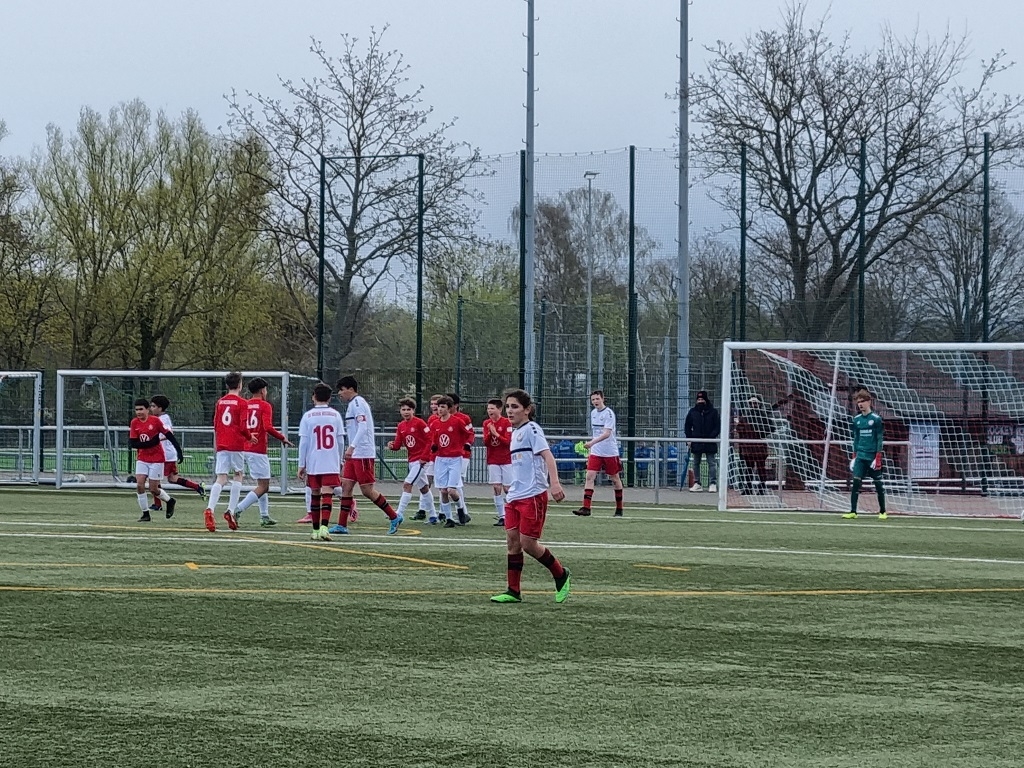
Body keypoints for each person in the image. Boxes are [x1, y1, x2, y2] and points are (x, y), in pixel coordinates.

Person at [490, 388, 571, 604]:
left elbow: (548, 456)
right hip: (515, 495)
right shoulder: (514, 432)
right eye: (508, 406)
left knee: (528, 544)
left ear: (527, 410)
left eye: (515, 406)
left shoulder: (532, 429)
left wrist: (554, 483)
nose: (509, 410)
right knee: (512, 542)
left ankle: (560, 574)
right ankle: (513, 590)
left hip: (532, 495)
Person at [331, 376, 402, 535]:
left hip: (362, 453)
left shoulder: (358, 403)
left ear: (350, 389)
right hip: (354, 454)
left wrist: (352, 447)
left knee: (367, 490)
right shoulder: (352, 405)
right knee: (346, 487)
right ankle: (342, 525)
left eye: (342, 390)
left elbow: (363, 428)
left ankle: (394, 516)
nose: (340, 394)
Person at [232, 377, 294, 528]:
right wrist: (282, 438)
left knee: (261, 483)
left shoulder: (245, 404)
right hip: (257, 449)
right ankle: (237, 510)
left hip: (245, 447)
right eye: (266, 390)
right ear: (262, 390)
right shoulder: (265, 406)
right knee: (264, 486)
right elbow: (267, 427)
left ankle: (264, 515)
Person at [203, 371, 252, 533]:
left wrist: (217, 444)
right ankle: (230, 511)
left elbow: (216, 425)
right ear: (240, 385)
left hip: (222, 443)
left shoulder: (220, 402)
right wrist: (250, 437)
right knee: (238, 475)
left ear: (227, 385)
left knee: (221, 478)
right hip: (236, 444)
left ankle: (210, 508)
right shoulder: (242, 403)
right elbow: (243, 427)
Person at [297, 382, 344, 541]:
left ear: (313, 397)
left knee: (315, 494)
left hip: (313, 461)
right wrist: (340, 459)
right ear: (330, 398)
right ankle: (324, 527)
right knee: (328, 494)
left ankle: (315, 530)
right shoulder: (335, 415)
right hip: (330, 460)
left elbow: (303, 442)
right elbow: (340, 441)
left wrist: (301, 464)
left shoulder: (308, 416)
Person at [147, 395, 205, 516]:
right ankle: (197, 487)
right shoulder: (158, 418)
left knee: (154, 478)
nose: (151, 408)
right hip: (167, 454)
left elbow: (168, 433)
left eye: (153, 406)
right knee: (172, 479)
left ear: (160, 408)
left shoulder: (164, 419)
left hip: (165, 454)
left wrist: (153, 440)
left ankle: (157, 504)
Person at [128, 398, 182, 523]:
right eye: (136, 410)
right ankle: (145, 513)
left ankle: (170, 501)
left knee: (153, 489)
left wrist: (179, 451)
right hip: (142, 458)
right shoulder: (134, 423)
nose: (138, 412)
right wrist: (151, 443)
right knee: (140, 484)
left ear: (147, 410)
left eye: (141, 409)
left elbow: (169, 435)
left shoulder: (155, 421)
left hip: (157, 459)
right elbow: (133, 443)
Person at [572, 390, 624, 517]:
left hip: (609, 452)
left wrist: (591, 443)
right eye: (593, 399)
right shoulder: (593, 413)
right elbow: (596, 433)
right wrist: (591, 449)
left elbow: (606, 434)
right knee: (589, 476)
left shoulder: (609, 414)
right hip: (596, 451)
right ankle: (586, 508)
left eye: (597, 399)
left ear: (602, 399)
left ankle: (619, 508)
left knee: (615, 478)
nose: (595, 401)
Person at [387, 397, 436, 523]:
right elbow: (398, 445)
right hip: (412, 460)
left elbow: (430, 440)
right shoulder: (401, 426)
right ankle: (433, 515)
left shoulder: (420, 423)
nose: (406, 412)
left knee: (407, 484)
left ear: (413, 410)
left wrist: (424, 457)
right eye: (403, 409)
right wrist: (392, 446)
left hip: (421, 461)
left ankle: (398, 514)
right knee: (424, 488)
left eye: (408, 409)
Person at [430, 395, 475, 529]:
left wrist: (467, 444)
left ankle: (461, 510)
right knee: (443, 491)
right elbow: (434, 438)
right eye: (438, 407)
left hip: (455, 459)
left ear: (449, 408)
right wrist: (434, 445)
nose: (440, 409)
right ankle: (449, 518)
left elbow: (469, 434)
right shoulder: (435, 423)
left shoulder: (457, 422)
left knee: (451, 490)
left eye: (443, 407)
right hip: (441, 459)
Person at [843, 388, 888, 520]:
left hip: (872, 457)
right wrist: (854, 456)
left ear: (869, 402)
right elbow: (856, 438)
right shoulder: (856, 420)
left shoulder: (876, 419)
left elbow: (879, 438)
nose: (860, 404)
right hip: (860, 456)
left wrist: (878, 457)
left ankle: (882, 511)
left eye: (862, 401)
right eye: (858, 402)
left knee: (878, 484)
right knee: (856, 482)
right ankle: (853, 511)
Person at [683, 390, 721, 493]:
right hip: (696, 442)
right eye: (698, 399)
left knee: (711, 463)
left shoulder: (713, 412)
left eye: (702, 399)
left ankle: (713, 483)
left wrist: (711, 437)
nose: (700, 401)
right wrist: (689, 439)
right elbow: (687, 426)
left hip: (709, 442)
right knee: (696, 462)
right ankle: (697, 483)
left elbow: (717, 427)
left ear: (706, 400)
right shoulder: (692, 412)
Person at [483, 398, 513, 526]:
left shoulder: (507, 423)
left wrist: (496, 434)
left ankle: (512, 514)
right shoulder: (487, 423)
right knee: (496, 487)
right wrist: (490, 433)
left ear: (499, 409)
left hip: (506, 459)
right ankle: (502, 516)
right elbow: (486, 442)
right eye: (488, 408)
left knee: (508, 488)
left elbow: (508, 442)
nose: (489, 411)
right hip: (493, 459)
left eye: (492, 408)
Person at [447, 392, 474, 525]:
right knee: (449, 485)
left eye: (449, 404)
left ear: (456, 405)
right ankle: (449, 513)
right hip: (446, 457)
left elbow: (470, 434)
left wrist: (467, 444)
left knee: (456, 483)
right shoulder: (441, 418)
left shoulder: (463, 418)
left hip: (462, 455)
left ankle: (463, 513)